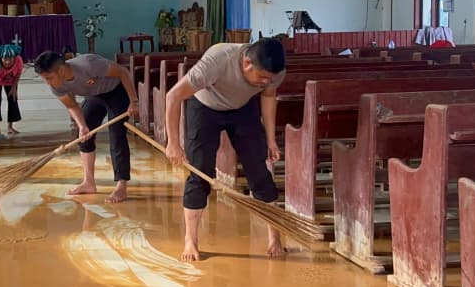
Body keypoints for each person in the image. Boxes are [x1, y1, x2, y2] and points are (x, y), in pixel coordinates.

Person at [162, 38, 287, 261]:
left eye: (270, 78)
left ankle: (274, 237)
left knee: (259, 171)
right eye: (262, 77)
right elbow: (173, 96)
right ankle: (191, 239)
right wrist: (173, 142)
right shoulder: (218, 61)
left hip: (243, 108)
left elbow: (268, 98)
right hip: (205, 107)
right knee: (200, 174)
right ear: (247, 63)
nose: (266, 82)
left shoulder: (274, 72)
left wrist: (270, 140)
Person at [34, 50, 139, 203]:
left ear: (61, 70)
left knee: (117, 135)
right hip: (95, 95)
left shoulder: (89, 64)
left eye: (49, 78)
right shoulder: (56, 86)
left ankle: (121, 184)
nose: (48, 83)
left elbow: (123, 72)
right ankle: (89, 182)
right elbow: (72, 106)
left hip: (116, 91)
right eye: (45, 79)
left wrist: (134, 101)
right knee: (84, 135)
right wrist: (82, 126)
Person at [0, 44, 23, 136]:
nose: (7, 62)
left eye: (10, 59)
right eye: (5, 59)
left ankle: (10, 127)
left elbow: (18, 73)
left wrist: (14, 87)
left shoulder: (18, 60)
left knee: (13, 101)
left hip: (10, 81)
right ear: (1, 58)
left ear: (14, 58)